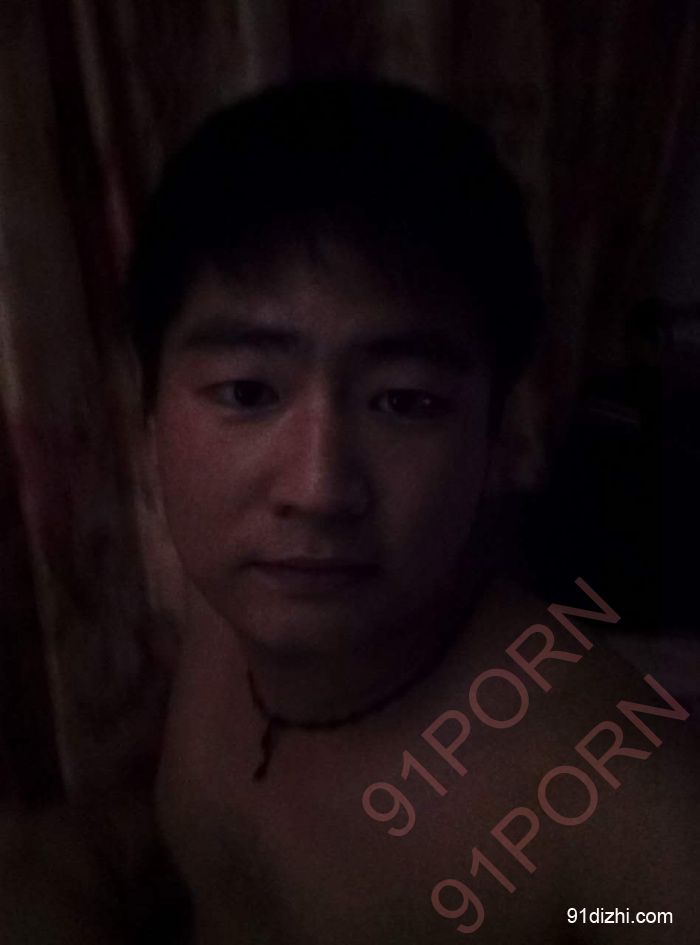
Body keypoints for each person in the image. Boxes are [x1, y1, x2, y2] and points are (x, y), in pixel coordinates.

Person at [1, 77, 696, 944]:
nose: (318, 489)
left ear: (496, 440)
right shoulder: (229, 617)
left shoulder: (612, 801)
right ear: (148, 421)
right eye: (248, 391)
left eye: (404, 401)